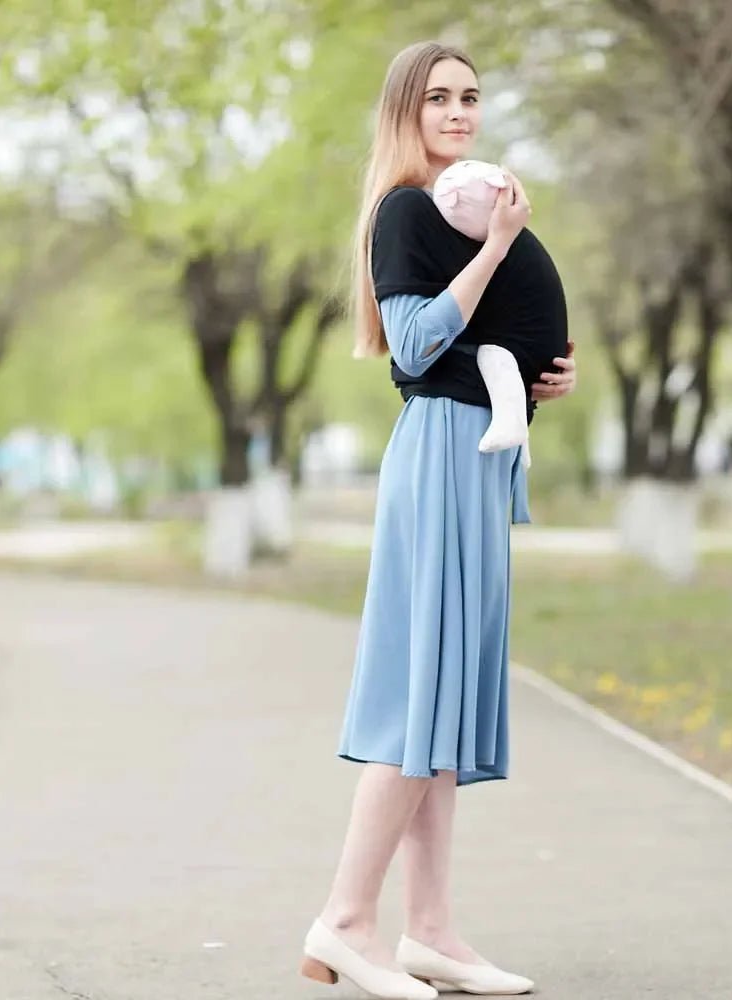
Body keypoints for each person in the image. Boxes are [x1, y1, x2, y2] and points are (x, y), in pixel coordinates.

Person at [301, 40, 577, 1000]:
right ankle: (343, 922)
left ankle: (431, 931)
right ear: (405, 112)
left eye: (470, 97)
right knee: (421, 701)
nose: (459, 113)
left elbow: (482, 337)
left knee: (448, 706)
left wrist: (546, 375)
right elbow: (416, 342)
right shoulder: (409, 211)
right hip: (438, 458)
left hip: (479, 459)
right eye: (439, 98)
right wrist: (497, 248)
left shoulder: (458, 204)